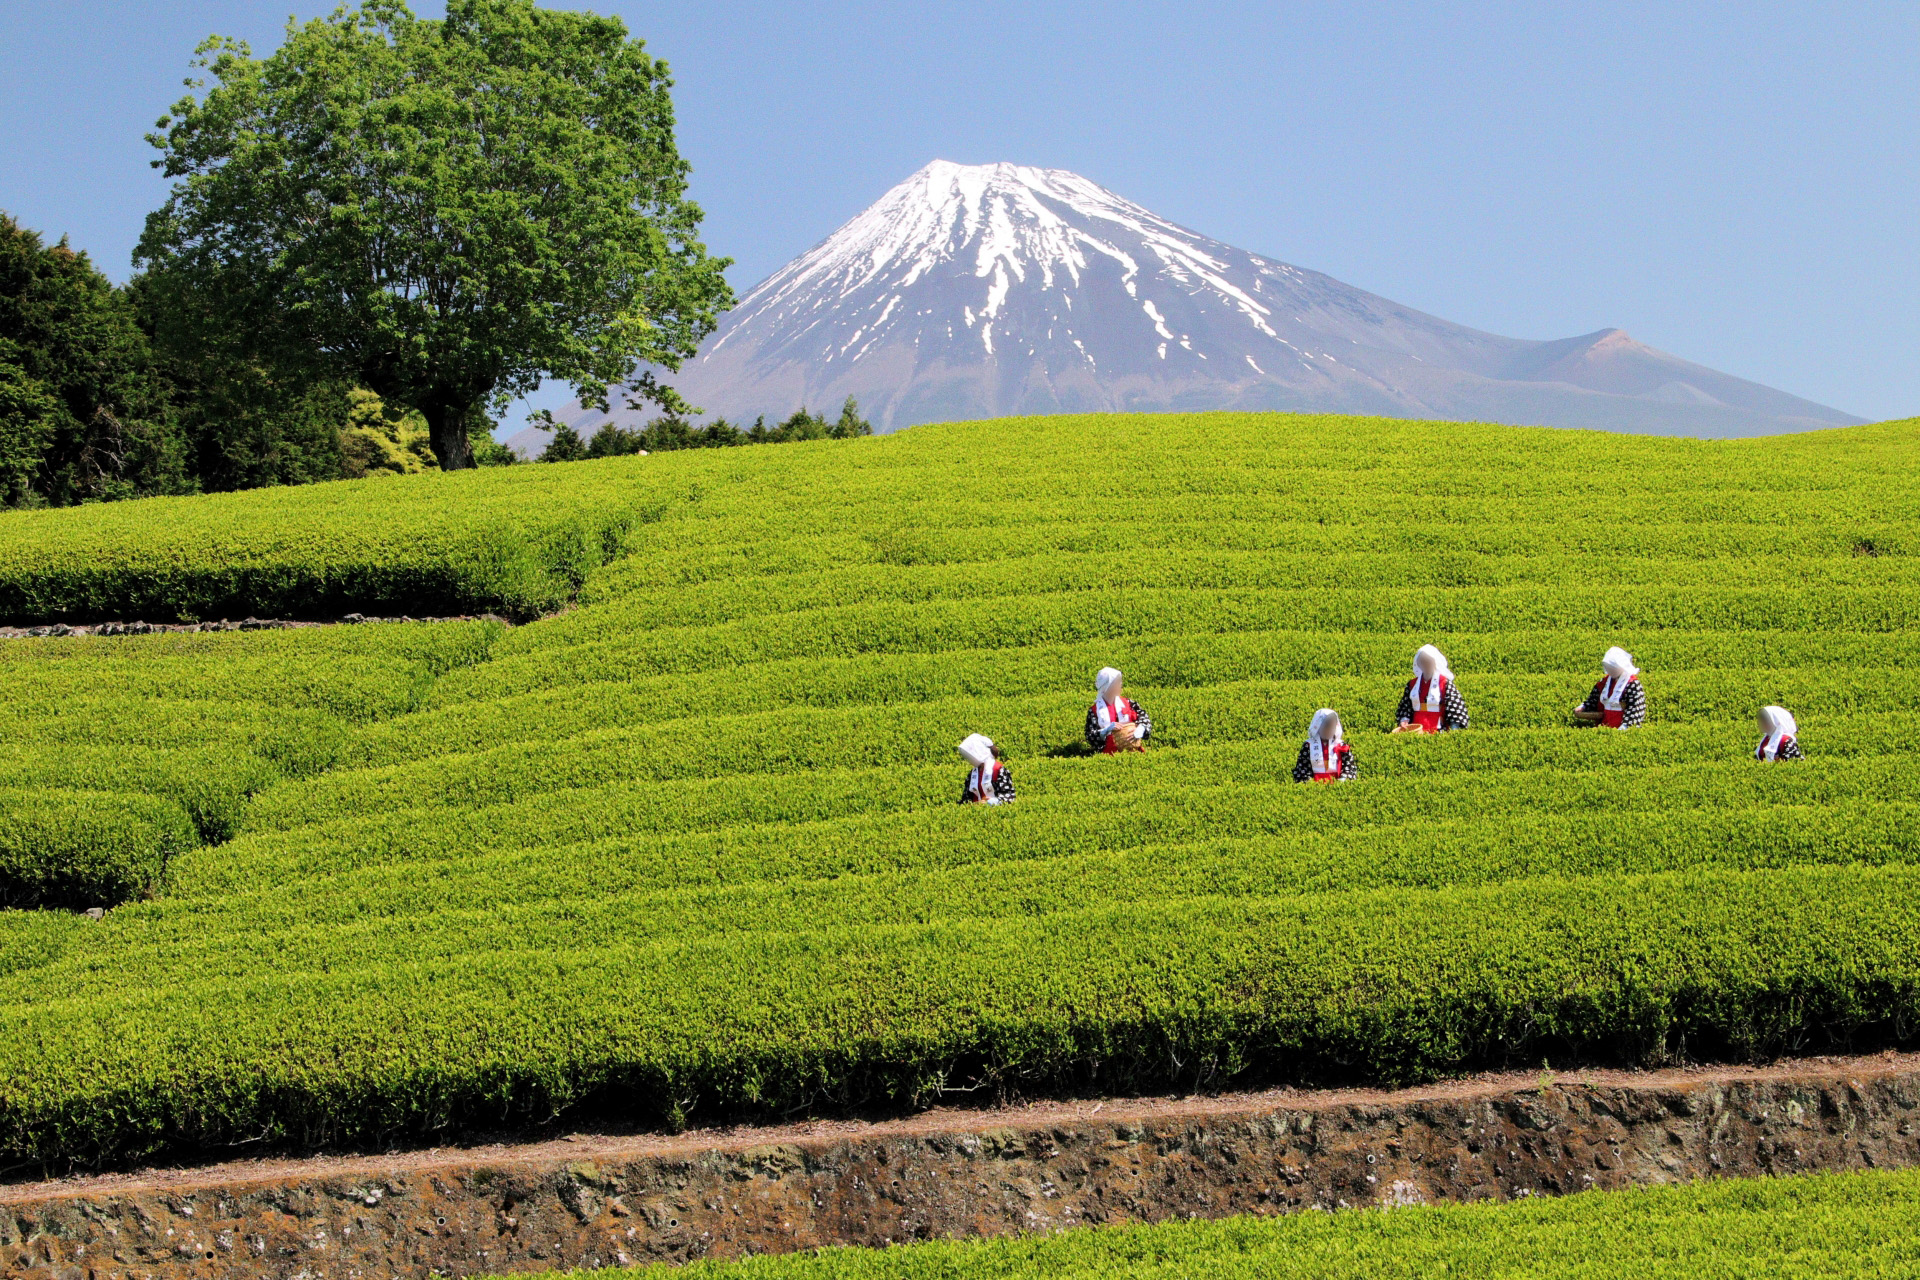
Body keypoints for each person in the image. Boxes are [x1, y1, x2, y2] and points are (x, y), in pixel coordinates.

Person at [1393, 644, 1469, 733]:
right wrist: (1404, 719)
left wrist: (1454, 728)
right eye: (1422, 661)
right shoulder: (1412, 684)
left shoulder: (1445, 683)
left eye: (1428, 661)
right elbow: (1405, 706)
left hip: (1438, 728)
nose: (1425, 664)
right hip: (1416, 728)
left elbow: (1455, 707)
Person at [1572, 646, 1646, 728]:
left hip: (1621, 725)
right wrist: (1583, 707)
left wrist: (1625, 727)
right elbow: (1593, 699)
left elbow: (1635, 708)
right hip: (1605, 724)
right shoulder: (1604, 682)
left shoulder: (1632, 684)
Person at [1085, 666, 1152, 754]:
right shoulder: (1095, 711)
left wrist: (1140, 729)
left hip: (1134, 750)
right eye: (1116, 682)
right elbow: (1090, 736)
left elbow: (1144, 718)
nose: (1120, 684)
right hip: (1109, 754)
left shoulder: (1129, 703)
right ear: (1107, 686)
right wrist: (1106, 730)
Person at [1292, 708, 1357, 783]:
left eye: (1332, 728)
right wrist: (1309, 782)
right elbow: (1303, 766)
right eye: (1326, 727)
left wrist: (1343, 780)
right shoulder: (1308, 745)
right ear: (1318, 727)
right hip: (1315, 783)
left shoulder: (1341, 745)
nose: (1329, 731)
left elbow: (1349, 766)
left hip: (1337, 782)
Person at [957, 733, 1016, 803]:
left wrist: (989, 802)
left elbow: (1008, 796)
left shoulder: (998, 770)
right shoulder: (972, 774)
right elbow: (966, 799)